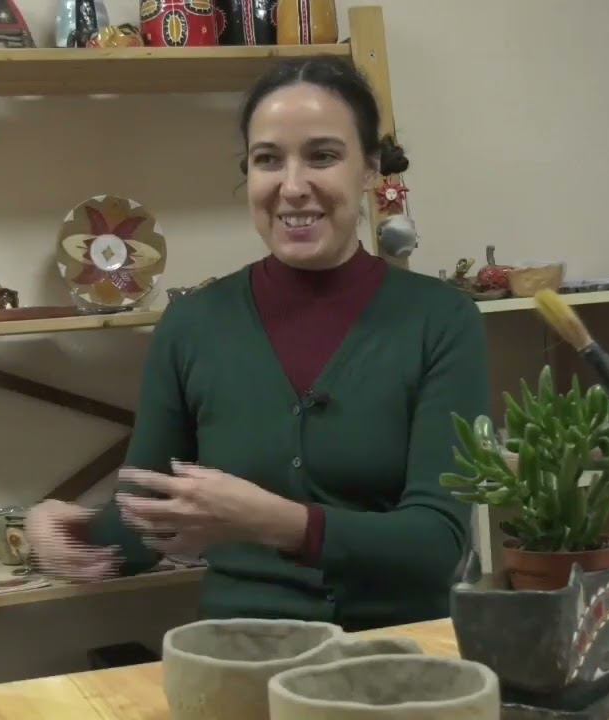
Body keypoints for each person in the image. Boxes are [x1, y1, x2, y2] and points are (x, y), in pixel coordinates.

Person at [25, 55, 491, 631]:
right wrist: (56, 527)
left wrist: (274, 521)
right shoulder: (193, 325)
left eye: (323, 156)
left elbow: (437, 544)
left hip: (399, 655)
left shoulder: (441, 320)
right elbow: (145, 527)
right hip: (240, 654)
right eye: (268, 160)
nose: (292, 187)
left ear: (370, 169)